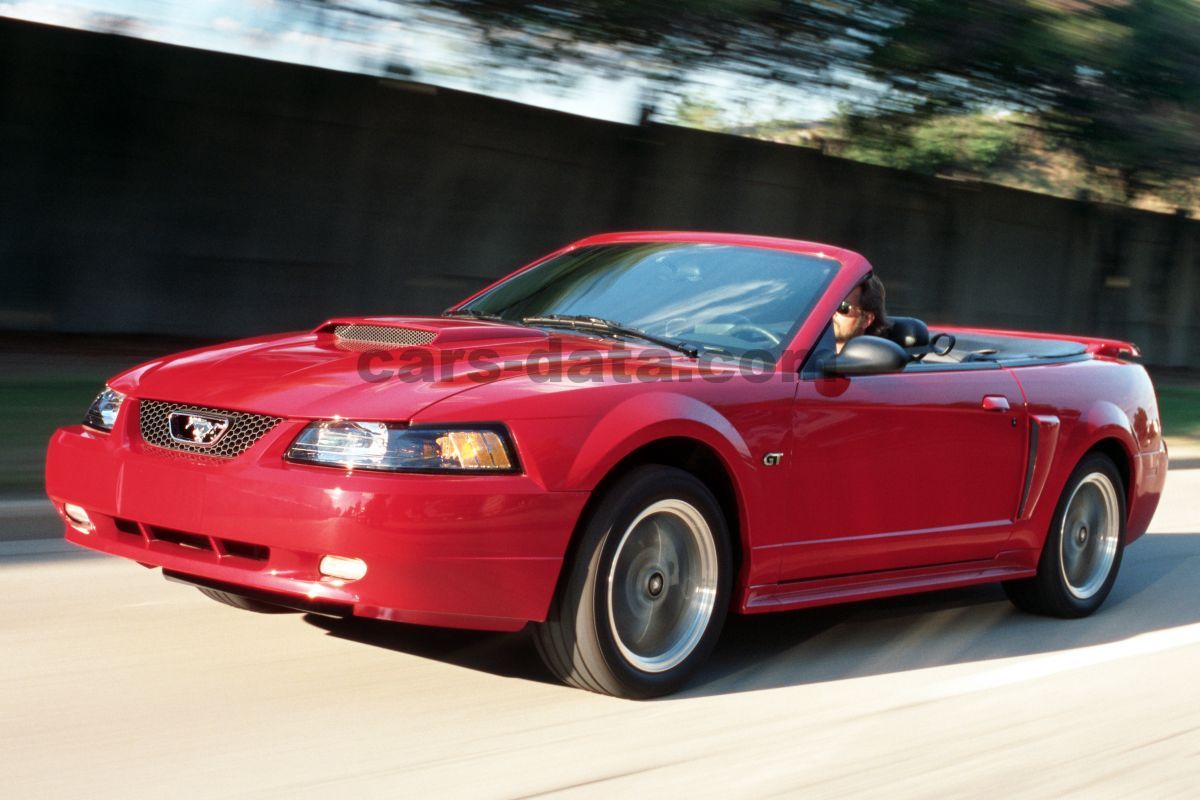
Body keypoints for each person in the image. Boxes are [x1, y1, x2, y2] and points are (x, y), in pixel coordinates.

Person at [833, 273, 889, 353]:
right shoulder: (810, 354)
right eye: (829, 303)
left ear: (867, 319)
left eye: (842, 306)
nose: (832, 312)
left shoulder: (874, 363)